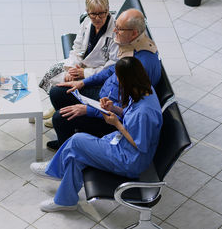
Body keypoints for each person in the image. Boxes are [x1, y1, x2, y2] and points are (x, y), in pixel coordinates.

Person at [30, 57, 163, 212]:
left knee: (78, 141)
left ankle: (56, 170)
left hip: (129, 160)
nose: (117, 82)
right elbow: (129, 115)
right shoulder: (143, 90)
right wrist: (114, 108)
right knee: (76, 154)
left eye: (119, 79)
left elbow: (140, 144)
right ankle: (66, 200)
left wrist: (117, 124)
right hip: (120, 145)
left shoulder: (145, 112)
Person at [46, 8, 161, 150]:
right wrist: (83, 82)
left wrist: (88, 110)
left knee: (61, 118)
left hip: (110, 116)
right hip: (105, 98)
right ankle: (72, 132)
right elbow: (111, 71)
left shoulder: (142, 66)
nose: (114, 31)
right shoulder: (133, 48)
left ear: (134, 33)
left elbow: (125, 114)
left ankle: (69, 150)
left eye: (119, 29)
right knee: (58, 92)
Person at [39, 0, 119, 124]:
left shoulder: (115, 32)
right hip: (81, 64)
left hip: (96, 73)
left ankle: (61, 113)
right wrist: (72, 67)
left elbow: (112, 66)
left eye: (101, 14)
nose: (97, 18)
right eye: (93, 14)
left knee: (64, 85)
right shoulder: (87, 22)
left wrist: (84, 73)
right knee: (54, 72)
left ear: (108, 10)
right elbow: (77, 47)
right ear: (87, 12)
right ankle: (57, 106)